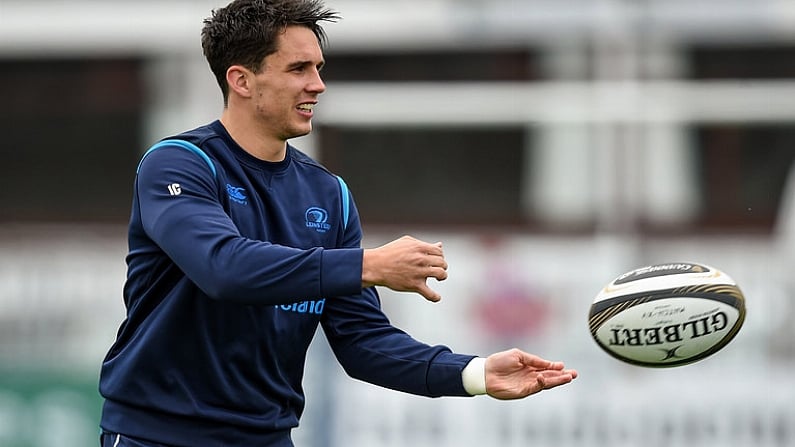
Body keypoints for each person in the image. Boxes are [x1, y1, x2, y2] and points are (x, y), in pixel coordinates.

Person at [97, 0, 578, 446]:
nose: (317, 84)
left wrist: (474, 374)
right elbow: (223, 268)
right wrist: (366, 264)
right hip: (156, 435)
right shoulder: (180, 164)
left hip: (266, 437)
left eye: (318, 69)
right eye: (298, 69)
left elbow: (363, 342)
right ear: (242, 81)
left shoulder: (330, 195)